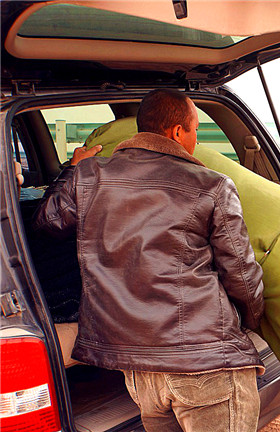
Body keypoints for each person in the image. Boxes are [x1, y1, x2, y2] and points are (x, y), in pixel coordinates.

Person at [34, 89, 265, 432]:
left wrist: (72, 168)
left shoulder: (89, 175)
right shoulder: (212, 185)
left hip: (139, 370)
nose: (196, 140)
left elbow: (48, 223)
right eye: (195, 130)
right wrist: (252, 321)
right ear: (177, 132)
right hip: (204, 360)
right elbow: (241, 276)